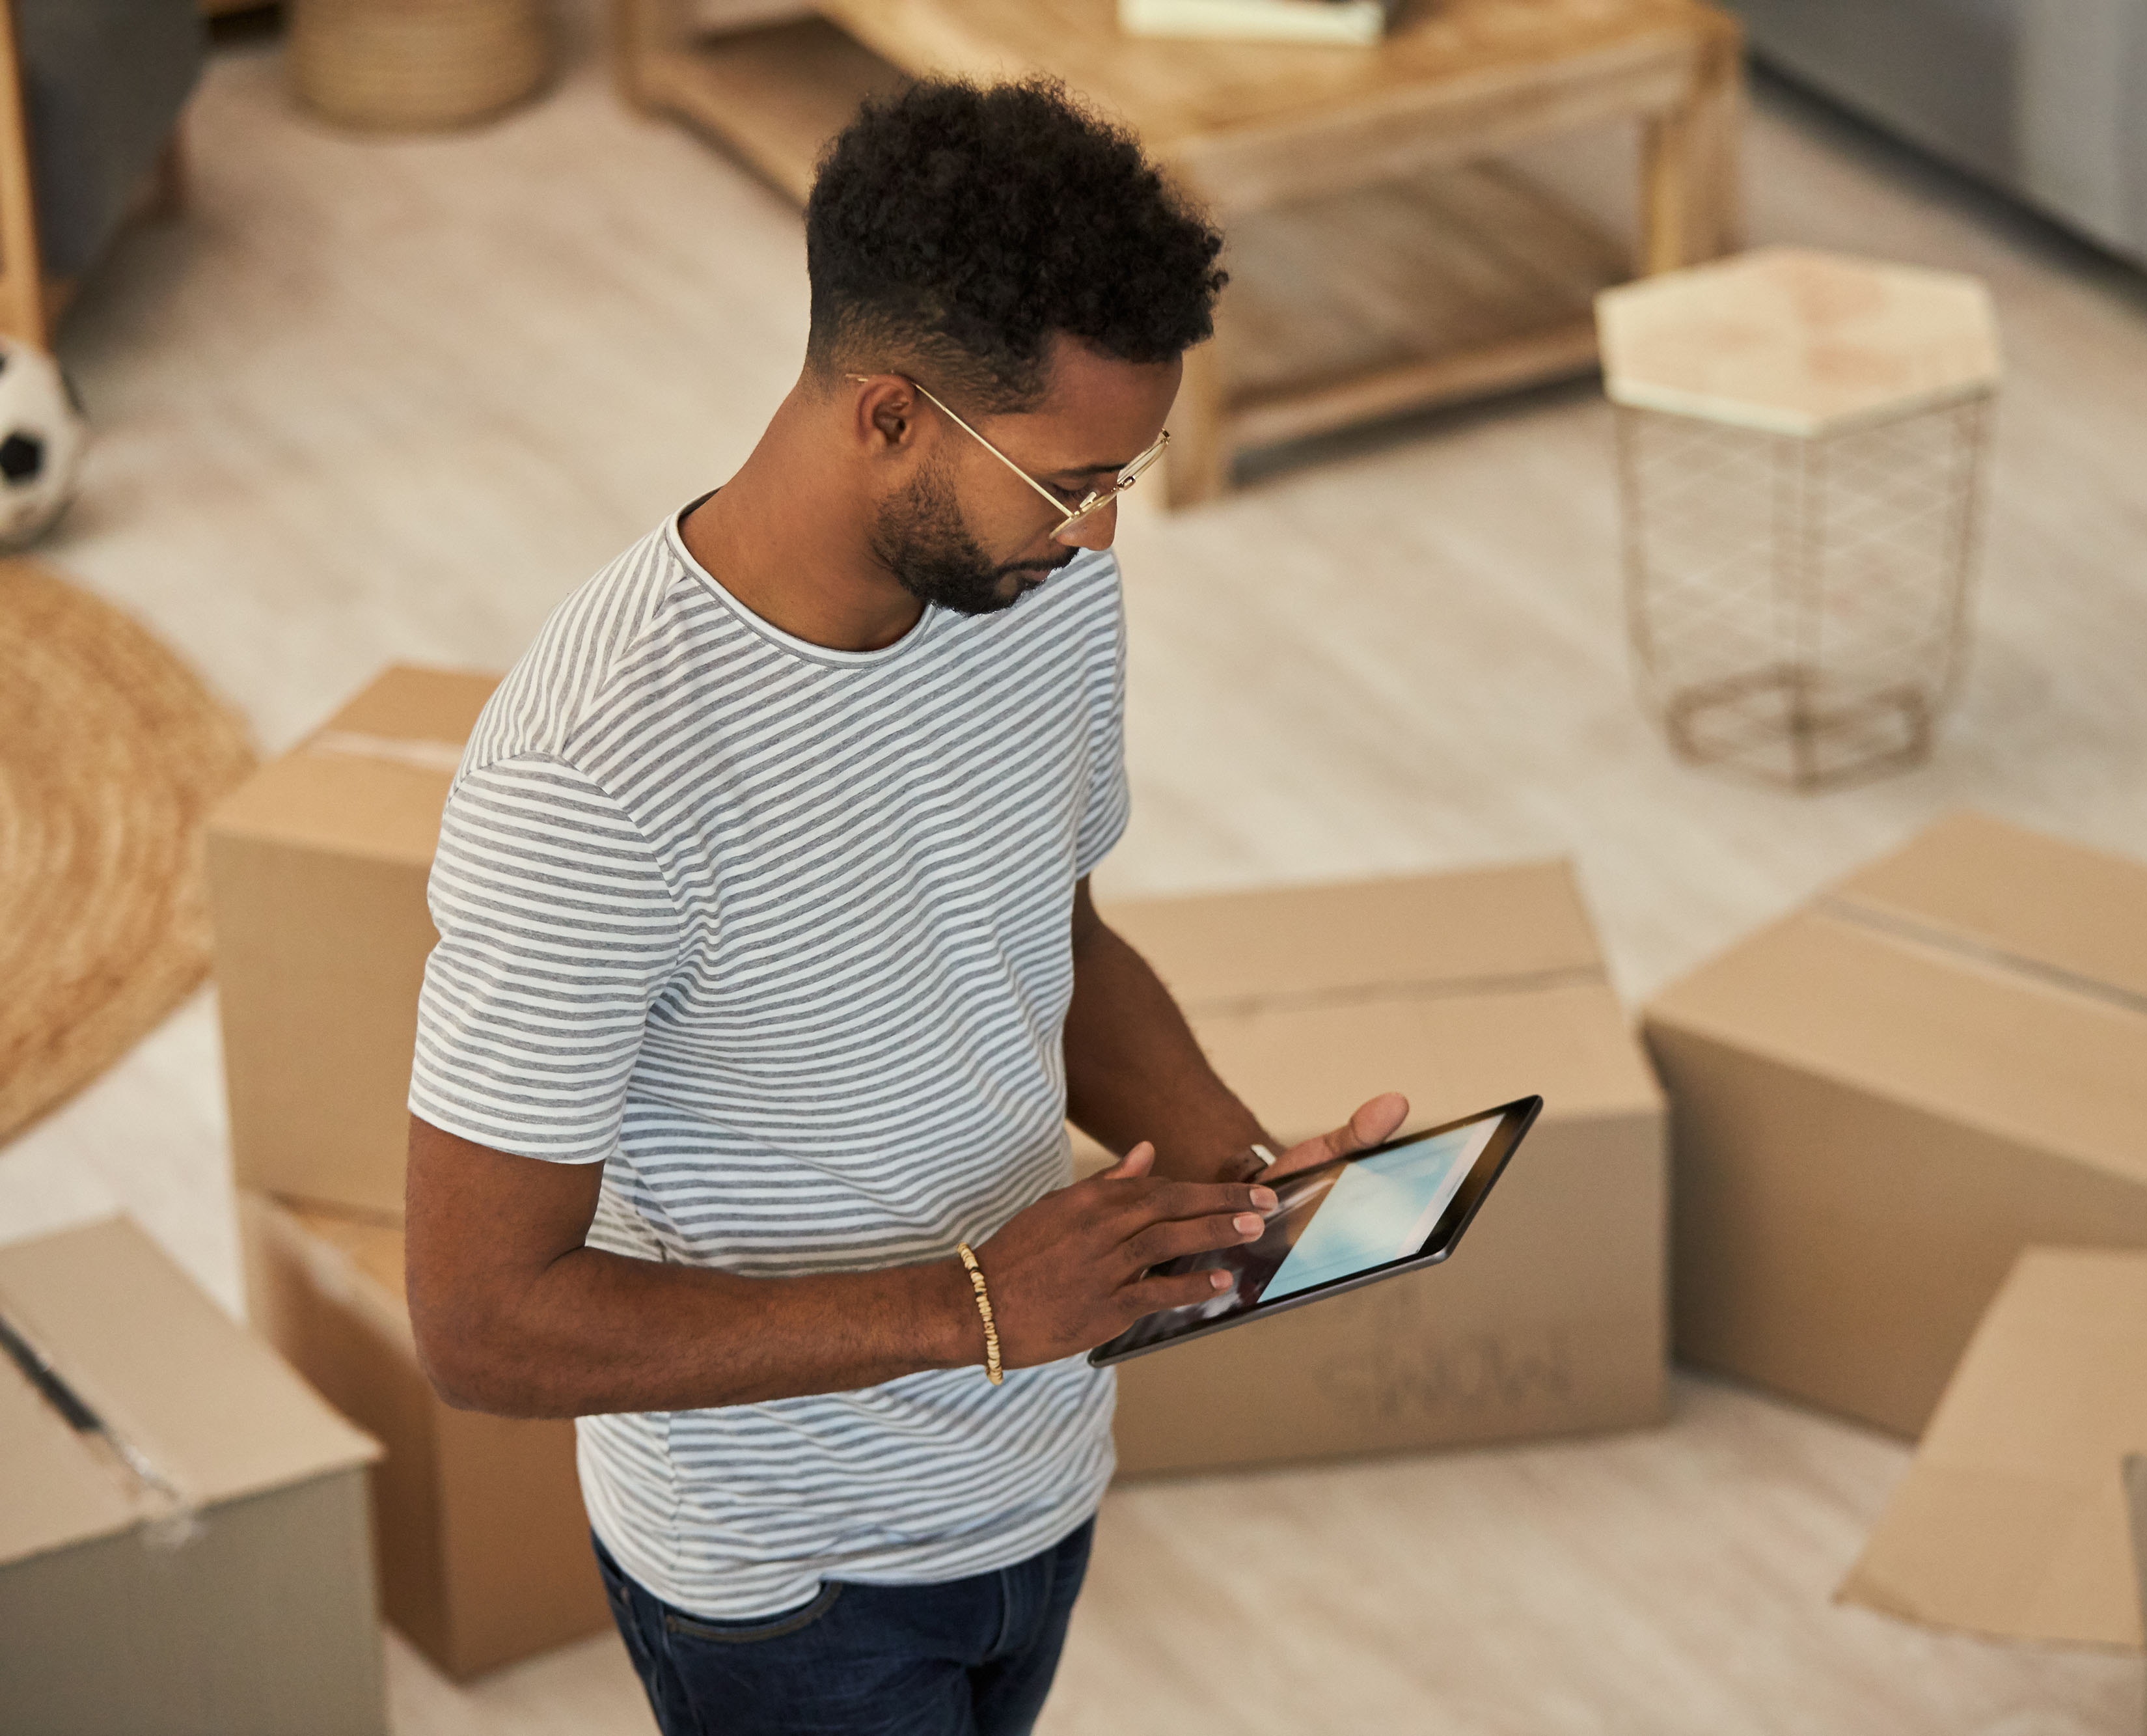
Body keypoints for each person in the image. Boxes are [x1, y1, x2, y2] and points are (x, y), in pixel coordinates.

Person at [403, 77, 1406, 1736]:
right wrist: (968, 1309)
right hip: (789, 1580)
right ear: (888, 415)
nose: (1098, 529)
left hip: (1038, 1466)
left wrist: (1231, 1178)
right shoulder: (594, 774)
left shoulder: (1037, 594)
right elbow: (478, 1317)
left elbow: (1043, 933)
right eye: (1071, 477)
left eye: (1126, 471)